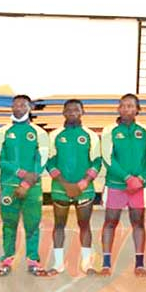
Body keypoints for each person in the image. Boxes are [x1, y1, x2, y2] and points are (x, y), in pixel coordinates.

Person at [0, 94, 50, 276]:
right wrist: (19, 173)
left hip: (32, 186)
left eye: (23, 105)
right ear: (11, 107)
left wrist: (26, 182)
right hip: (9, 185)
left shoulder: (39, 132)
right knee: (9, 224)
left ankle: (33, 260)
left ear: (30, 107)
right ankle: (7, 259)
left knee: (32, 224)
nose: (18, 108)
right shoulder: (2, 132)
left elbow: (41, 160)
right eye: (15, 105)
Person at [99, 94, 146, 277]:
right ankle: (106, 264)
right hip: (116, 184)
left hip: (139, 186)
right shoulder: (109, 130)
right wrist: (127, 178)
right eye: (122, 106)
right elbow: (108, 158)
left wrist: (141, 178)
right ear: (118, 109)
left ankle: (139, 264)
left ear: (137, 109)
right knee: (110, 222)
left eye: (130, 106)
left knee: (138, 223)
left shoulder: (145, 131)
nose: (126, 109)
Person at [45, 99, 102, 276]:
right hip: (60, 188)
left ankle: (86, 263)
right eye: (68, 110)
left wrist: (84, 182)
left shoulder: (91, 136)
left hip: (84, 188)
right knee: (59, 225)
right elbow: (49, 161)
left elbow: (97, 161)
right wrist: (65, 184)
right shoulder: (54, 135)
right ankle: (58, 263)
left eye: (76, 110)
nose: (72, 113)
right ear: (63, 112)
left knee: (84, 225)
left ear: (82, 112)